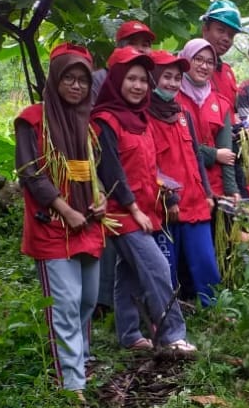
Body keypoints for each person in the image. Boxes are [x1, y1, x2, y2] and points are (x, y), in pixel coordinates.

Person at [15, 43, 105, 402]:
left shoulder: (89, 124)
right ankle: (72, 385)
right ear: (54, 80)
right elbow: (30, 173)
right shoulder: (32, 119)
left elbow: (97, 171)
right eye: (68, 78)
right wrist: (66, 210)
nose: (76, 86)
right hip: (53, 225)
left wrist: (101, 200)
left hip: (89, 226)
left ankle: (80, 363)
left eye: (83, 80)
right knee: (65, 304)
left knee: (87, 301)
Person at [92, 47, 196, 353]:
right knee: (158, 268)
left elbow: (147, 167)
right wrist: (134, 210)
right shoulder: (106, 120)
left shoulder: (140, 117)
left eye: (142, 80)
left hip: (145, 208)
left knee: (127, 273)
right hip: (122, 212)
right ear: (117, 80)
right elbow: (111, 171)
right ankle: (172, 335)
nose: (138, 86)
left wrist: (162, 194)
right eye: (131, 79)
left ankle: (130, 335)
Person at [91, 19, 157, 317]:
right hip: (108, 188)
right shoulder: (101, 82)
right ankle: (169, 330)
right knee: (115, 255)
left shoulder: (143, 96)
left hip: (140, 190)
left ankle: (128, 328)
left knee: (125, 267)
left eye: (145, 44)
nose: (140, 48)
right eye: (134, 42)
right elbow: (105, 150)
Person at [146, 49, 221, 306]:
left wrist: (208, 193)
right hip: (167, 205)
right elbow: (147, 164)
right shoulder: (143, 117)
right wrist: (169, 199)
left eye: (177, 78)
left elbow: (197, 156)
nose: (172, 83)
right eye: (166, 76)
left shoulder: (183, 114)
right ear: (153, 78)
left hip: (196, 200)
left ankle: (212, 310)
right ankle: (168, 313)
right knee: (167, 264)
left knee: (204, 260)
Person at [178, 39, 239, 201]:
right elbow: (176, 146)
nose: (204, 66)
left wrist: (231, 189)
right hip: (181, 186)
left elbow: (227, 154)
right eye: (198, 59)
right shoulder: (172, 98)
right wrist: (213, 154)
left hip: (215, 188)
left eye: (210, 62)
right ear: (186, 60)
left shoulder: (221, 103)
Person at [91, 19, 156, 101]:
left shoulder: (151, 80)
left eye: (145, 45)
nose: (140, 49)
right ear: (119, 48)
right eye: (132, 43)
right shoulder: (100, 78)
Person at [200, 0, 245, 110]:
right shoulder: (188, 66)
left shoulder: (227, 72)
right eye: (220, 30)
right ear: (205, 29)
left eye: (231, 35)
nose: (226, 38)